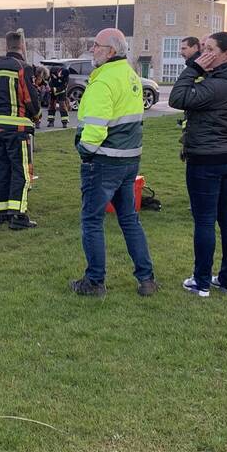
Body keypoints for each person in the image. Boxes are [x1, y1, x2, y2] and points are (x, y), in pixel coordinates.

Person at [169, 31, 227, 297]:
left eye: (210, 49)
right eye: (203, 49)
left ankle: (201, 282)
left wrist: (193, 68)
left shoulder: (219, 85)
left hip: (207, 160)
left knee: (205, 220)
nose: (203, 55)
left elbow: (178, 97)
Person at [69, 28, 157, 297]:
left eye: (96, 45)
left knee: (92, 221)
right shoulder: (130, 76)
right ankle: (146, 279)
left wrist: (84, 150)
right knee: (129, 219)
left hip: (104, 161)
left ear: (110, 51)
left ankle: (95, 281)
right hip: (129, 160)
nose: (92, 49)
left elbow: (95, 128)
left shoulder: (103, 82)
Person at [0, 31, 40, 229]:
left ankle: (3, 212)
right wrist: (36, 115)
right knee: (21, 172)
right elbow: (30, 98)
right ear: (21, 46)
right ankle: (18, 216)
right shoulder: (23, 68)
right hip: (17, 128)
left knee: (3, 170)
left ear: (6, 46)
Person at [46, 63, 71, 128]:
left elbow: (63, 87)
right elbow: (50, 80)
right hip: (53, 88)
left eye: (63, 76)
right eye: (61, 75)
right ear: (60, 71)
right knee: (51, 105)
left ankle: (64, 122)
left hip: (61, 91)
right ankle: (51, 121)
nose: (61, 76)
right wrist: (50, 88)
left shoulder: (66, 78)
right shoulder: (53, 70)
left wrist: (54, 89)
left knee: (62, 105)